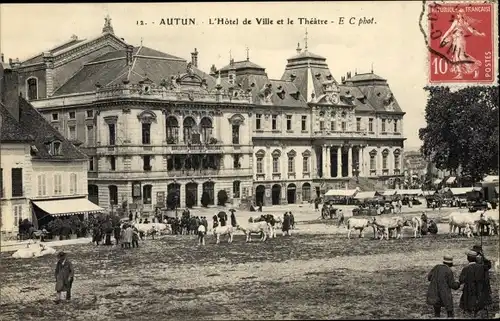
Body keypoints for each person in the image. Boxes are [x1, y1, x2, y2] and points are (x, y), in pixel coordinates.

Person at [459, 250, 488, 318]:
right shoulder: (482, 267)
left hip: (469, 291)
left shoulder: (466, 269)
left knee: (468, 309)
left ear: (468, 258)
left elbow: (461, 280)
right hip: (480, 291)